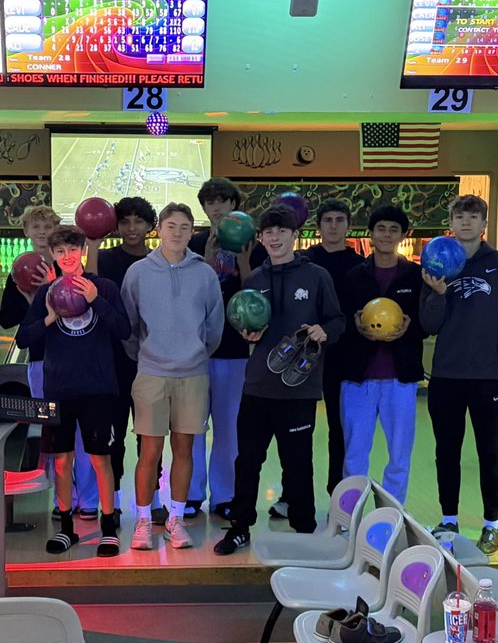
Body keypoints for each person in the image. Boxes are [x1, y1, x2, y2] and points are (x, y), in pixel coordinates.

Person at [215, 204, 345, 555]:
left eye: (281, 232)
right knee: (248, 461)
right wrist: (247, 335)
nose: (274, 238)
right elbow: (246, 324)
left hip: (299, 389)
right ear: (261, 238)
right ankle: (240, 526)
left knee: (298, 464)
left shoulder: (316, 276)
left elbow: (337, 320)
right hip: (257, 387)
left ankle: (304, 529)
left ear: (295, 235)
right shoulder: (255, 279)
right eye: (268, 233)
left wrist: (324, 330)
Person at [419, 194, 498, 556]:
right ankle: (448, 519)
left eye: (474, 216)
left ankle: (491, 524)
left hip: (490, 378)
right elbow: (428, 325)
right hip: (447, 376)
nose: (466, 222)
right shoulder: (437, 265)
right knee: (445, 451)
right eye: (460, 216)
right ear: (451, 222)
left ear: (484, 225)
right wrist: (436, 294)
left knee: (490, 453)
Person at [17, 226, 130, 557]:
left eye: (73, 249)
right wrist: (49, 319)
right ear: (53, 255)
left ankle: (108, 528)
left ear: (83, 250)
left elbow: (124, 329)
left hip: (98, 389)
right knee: (62, 461)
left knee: (100, 459)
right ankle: (66, 528)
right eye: (60, 251)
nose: (67, 256)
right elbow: (24, 338)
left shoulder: (105, 288)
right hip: (58, 390)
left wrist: (96, 301)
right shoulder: (46, 293)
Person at [122, 203, 224, 550]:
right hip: (151, 372)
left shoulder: (205, 273)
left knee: (185, 449)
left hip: (193, 373)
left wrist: (194, 353)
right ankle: (144, 521)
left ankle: (176, 520)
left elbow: (214, 326)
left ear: (191, 232)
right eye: (171, 226)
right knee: (149, 451)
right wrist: (147, 355)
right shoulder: (138, 272)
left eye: (184, 227)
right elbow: (130, 325)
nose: (177, 232)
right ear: (159, 230)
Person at [0, 205, 100, 518]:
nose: (41, 232)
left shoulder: (75, 273)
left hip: (79, 362)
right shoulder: (19, 272)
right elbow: (7, 321)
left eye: (48, 227)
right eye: (36, 227)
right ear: (27, 232)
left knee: (84, 434)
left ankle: (90, 500)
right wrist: (34, 301)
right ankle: (62, 500)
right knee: (55, 434)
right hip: (42, 362)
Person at [186, 178, 267, 521]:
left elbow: (258, 295)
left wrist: (244, 261)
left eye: (223, 201)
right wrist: (206, 256)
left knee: (228, 427)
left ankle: (225, 495)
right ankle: (190, 495)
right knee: (193, 426)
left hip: (234, 351)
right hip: (196, 350)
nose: (216, 207)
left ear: (234, 203)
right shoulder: (194, 243)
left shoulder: (254, 244)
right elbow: (192, 294)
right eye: (210, 202)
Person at [337, 205, 424, 504]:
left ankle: (393, 512)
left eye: (393, 229)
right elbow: (339, 321)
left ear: (403, 235)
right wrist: (357, 327)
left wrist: (410, 328)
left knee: (399, 454)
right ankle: (351, 514)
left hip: (400, 379)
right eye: (381, 228)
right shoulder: (353, 276)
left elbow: (426, 323)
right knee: (355, 454)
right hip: (358, 379)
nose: (387, 235)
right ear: (371, 234)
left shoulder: (416, 276)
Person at [93, 196, 158, 515]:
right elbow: (89, 285)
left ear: (149, 226)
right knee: (113, 433)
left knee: (149, 433)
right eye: (125, 222)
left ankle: (154, 498)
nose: (132, 228)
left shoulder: (159, 261)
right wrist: (92, 243)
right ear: (116, 226)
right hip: (110, 360)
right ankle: (114, 498)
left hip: (149, 361)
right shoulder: (105, 259)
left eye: (138, 221)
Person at [304, 197, 365, 495]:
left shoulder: (359, 266)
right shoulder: (304, 262)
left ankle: (337, 494)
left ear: (348, 226)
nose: (333, 225)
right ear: (318, 227)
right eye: (327, 220)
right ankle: (294, 495)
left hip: (346, 355)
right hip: (306, 354)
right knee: (300, 429)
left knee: (339, 430)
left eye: (339, 220)